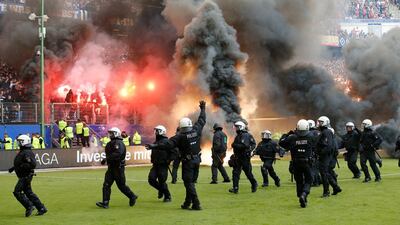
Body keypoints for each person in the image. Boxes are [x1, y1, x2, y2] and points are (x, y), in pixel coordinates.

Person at [168, 100, 206, 210]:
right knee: (190, 183)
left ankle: (196, 203)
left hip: (188, 163)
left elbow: (167, 144)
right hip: (197, 161)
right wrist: (203, 108)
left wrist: (154, 146)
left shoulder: (180, 137)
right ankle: (187, 203)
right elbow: (202, 120)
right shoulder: (196, 130)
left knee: (188, 183)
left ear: (181, 127)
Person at [96, 127, 138, 209]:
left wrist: (106, 159)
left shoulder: (119, 143)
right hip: (111, 168)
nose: (109, 135)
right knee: (106, 185)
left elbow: (117, 154)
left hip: (118, 168)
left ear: (115, 133)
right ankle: (105, 202)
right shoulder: (111, 143)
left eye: (111, 133)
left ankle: (132, 196)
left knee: (121, 186)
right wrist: (106, 160)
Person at [279, 119, 316, 208]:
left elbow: (281, 143)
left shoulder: (292, 137)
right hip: (307, 162)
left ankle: (301, 197)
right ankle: (304, 194)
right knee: (309, 180)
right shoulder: (311, 136)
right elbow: (316, 146)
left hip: (296, 163)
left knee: (299, 181)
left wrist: (288, 134)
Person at [8, 134, 47, 217]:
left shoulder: (27, 152)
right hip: (24, 175)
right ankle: (41, 208)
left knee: (17, 192)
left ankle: (29, 206)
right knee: (29, 193)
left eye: (20, 142)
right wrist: (13, 168)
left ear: (24, 142)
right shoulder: (24, 151)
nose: (18, 143)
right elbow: (21, 162)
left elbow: (32, 165)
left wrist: (20, 166)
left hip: (25, 176)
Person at [145, 125, 173, 202]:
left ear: (161, 131)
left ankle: (167, 196)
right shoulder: (155, 142)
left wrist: (169, 160)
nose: (155, 132)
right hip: (155, 165)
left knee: (162, 181)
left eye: (157, 131)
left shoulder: (167, 142)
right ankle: (161, 190)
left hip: (163, 165)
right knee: (151, 179)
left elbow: (174, 152)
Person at [229, 121, 258, 194]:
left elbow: (244, 146)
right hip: (238, 157)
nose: (235, 128)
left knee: (248, 173)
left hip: (244, 157)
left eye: (237, 127)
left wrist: (234, 145)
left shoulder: (245, 135)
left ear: (240, 127)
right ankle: (235, 188)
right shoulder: (239, 135)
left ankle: (254, 183)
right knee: (235, 173)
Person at [316, 116, 341, 197]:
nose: (318, 123)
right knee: (325, 173)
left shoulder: (326, 132)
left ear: (325, 123)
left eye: (320, 122)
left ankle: (327, 191)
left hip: (325, 156)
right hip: (325, 156)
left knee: (324, 173)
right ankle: (335, 187)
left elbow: (328, 146)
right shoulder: (324, 132)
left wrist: (321, 153)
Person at [308, 120, 321, 186]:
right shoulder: (318, 132)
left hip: (312, 153)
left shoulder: (308, 133)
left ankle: (315, 182)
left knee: (312, 168)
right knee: (315, 168)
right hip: (317, 153)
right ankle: (318, 181)